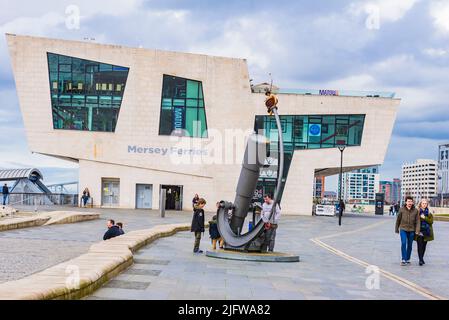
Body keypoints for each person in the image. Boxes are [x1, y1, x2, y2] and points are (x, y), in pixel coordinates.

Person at [395, 196, 420, 266]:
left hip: (412, 230)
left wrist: (417, 230)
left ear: (412, 202)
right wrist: (396, 228)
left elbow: (418, 221)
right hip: (403, 229)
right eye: (408, 201)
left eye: (411, 201)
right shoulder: (401, 209)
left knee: (410, 245)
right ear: (405, 202)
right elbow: (398, 220)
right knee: (403, 243)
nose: (409, 203)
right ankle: (403, 259)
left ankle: (408, 258)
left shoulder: (415, 211)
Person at [415, 199, 434, 266]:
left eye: (425, 203)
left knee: (424, 246)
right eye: (423, 203)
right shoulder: (417, 212)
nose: (424, 204)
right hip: (419, 231)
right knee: (419, 246)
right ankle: (420, 260)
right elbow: (414, 221)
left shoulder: (429, 212)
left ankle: (422, 258)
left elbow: (431, 221)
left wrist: (424, 217)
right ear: (420, 204)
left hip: (426, 231)